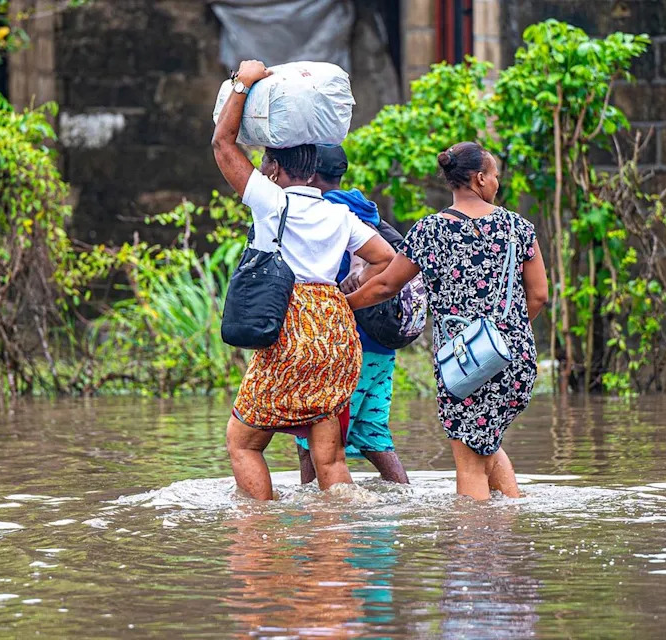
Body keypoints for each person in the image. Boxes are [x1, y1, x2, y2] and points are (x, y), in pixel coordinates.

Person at [212, 59, 395, 500]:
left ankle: (260, 532)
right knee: (328, 455)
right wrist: (346, 298)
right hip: (335, 332)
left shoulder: (271, 202)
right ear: (314, 167)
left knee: (243, 443)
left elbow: (222, 144)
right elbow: (386, 259)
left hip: (288, 329)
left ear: (273, 169)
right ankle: (335, 545)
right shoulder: (339, 214)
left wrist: (242, 83)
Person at [345, 142, 548, 501]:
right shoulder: (519, 228)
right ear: (480, 178)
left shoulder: (429, 231)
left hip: (464, 363)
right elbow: (539, 296)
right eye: (496, 175)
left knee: (469, 463)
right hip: (515, 357)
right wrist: (505, 335)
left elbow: (387, 285)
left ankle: (472, 553)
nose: (497, 183)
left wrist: (343, 305)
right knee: (486, 443)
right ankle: (511, 532)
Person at [294, 145, 410, 485]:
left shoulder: (322, 214)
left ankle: (313, 519)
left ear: (310, 175)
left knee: (311, 438)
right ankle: (402, 503)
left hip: (347, 346)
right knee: (372, 430)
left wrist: (344, 305)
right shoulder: (366, 211)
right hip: (383, 345)